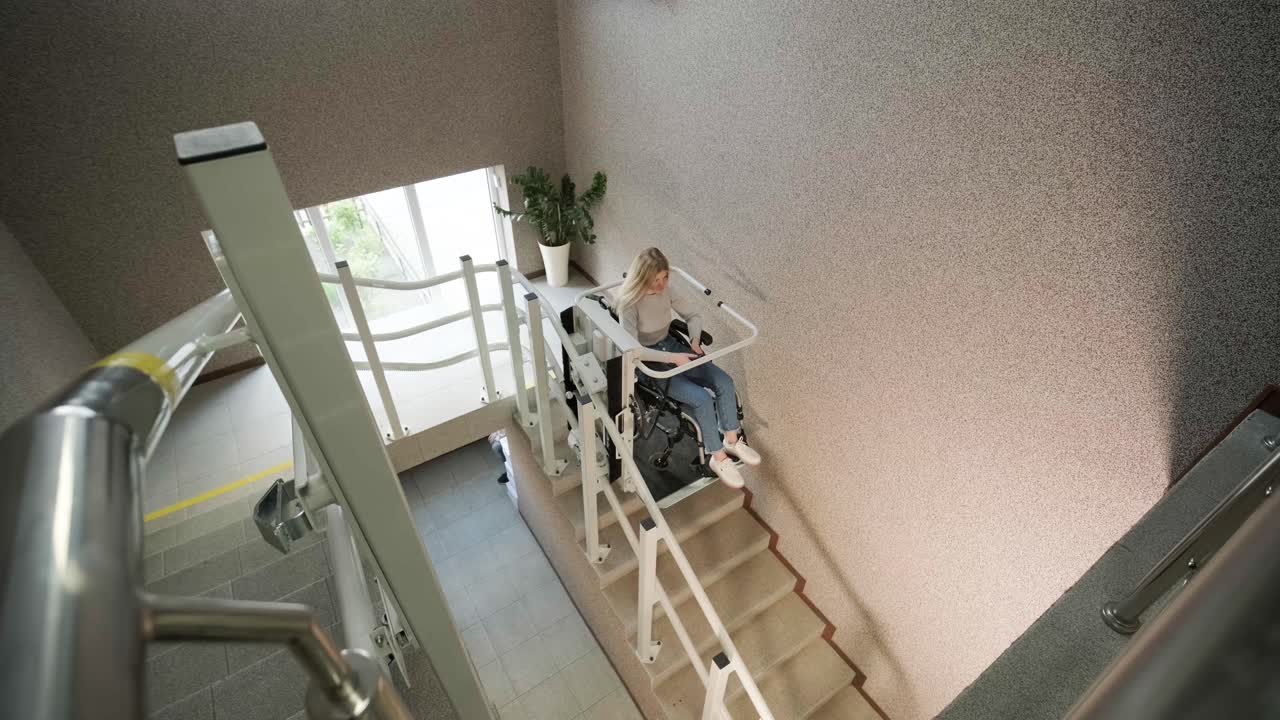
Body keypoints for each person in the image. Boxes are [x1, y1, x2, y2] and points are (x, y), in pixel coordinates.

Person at [615, 247, 760, 489]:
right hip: (651, 361)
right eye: (656, 280)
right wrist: (673, 358)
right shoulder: (628, 304)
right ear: (641, 278)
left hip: (674, 346)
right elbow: (632, 351)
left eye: (665, 277)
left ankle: (732, 440)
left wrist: (694, 340)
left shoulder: (667, 290)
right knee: (701, 399)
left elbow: (693, 315)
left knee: (724, 382)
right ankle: (717, 458)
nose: (662, 285)